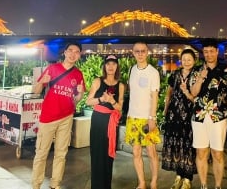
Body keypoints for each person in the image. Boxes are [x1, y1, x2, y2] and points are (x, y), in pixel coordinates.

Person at [32, 42, 86, 189]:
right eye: (70, 50)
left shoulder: (78, 74)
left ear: (79, 55)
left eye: (76, 52)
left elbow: (76, 99)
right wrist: (42, 82)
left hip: (66, 117)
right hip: (48, 117)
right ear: (65, 52)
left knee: (61, 154)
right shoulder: (52, 68)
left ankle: (55, 184)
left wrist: (80, 93)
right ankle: (36, 185)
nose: (73, 54)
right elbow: (36, 91)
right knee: (41, 153)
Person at [190, 40, 227, 189]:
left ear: (217, 52)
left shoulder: (226, 70)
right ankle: (203, 185)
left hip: (218, 116)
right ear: (203, 53)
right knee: (201, 153)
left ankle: (218, 186)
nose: (208, 54)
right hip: (199, 116)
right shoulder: (196, 70)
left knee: (217, 153)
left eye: (211, 51)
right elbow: (193, 93)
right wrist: (201, 77)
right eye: (205, 52)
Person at [125, 41, 161, 189]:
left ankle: (154, 181)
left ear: (147, 52)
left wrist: (152, 118)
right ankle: (142, 182)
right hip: (132, 118)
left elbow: (155, 97)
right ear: (133, 53)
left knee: (151, 152)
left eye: (143, 51)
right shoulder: (132, 69)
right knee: (136, 152)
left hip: (147, 119)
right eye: (137, 51)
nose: (140, 54)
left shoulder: (153, 72)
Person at [86, 54, 125, 189]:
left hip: (111, 121)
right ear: (104, 66)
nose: (111, 66)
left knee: (109, 155)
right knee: (97, 153)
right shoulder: (98, 81)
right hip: (98, 120)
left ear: (117, 67)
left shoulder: (120, 85)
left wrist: (111, 100)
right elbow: (88, 101)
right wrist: (102, 99)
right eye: (108, 64)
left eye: (113, 64)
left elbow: (120, 108)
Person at [161, 49, 197, 189]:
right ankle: (178, 176)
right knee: (176, 144)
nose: (186, 62)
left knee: (188, 144)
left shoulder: (197, 75)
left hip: (189, 114)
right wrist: (165, 108)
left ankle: (187, 179)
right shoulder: (175, 74)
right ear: (180, 60)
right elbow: (169, 92)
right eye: (184, 59)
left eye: (189, 59)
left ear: (194, 61)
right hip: (174, 114)